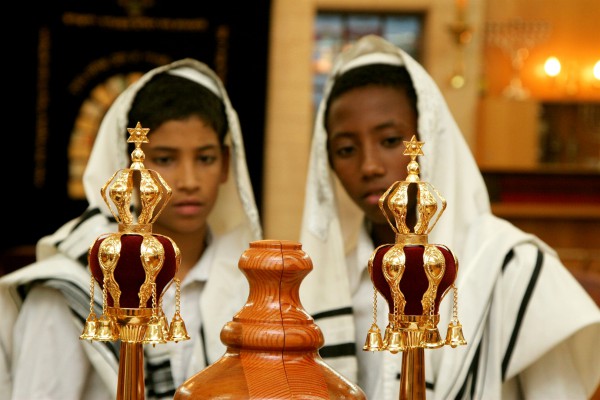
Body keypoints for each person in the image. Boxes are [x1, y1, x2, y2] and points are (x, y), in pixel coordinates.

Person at [298, 34, 600, 399]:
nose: (369, 166)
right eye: (346, 149)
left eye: (391, 141)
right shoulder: (337, 282)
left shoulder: (510, 265)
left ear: (431, 136)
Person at [0, 58, 262, 400]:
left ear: (226, 163)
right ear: (129, 168)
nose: (188, 181)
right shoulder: (73, 286)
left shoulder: (251, 285)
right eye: (165, 159)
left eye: (205, 158)